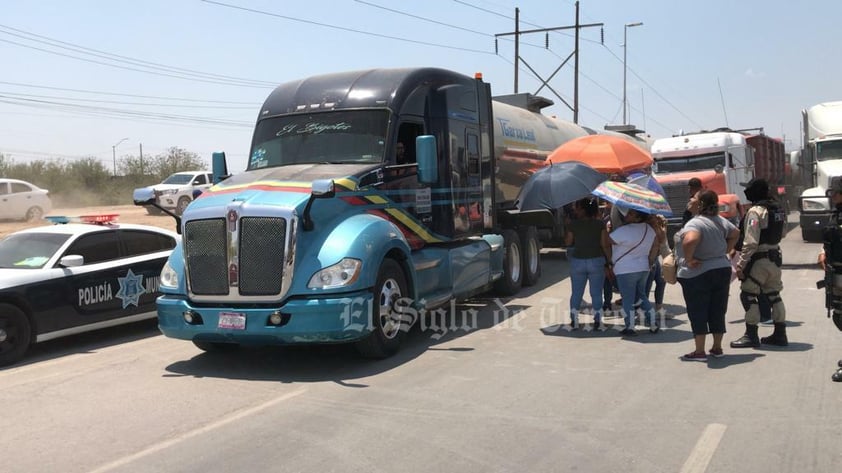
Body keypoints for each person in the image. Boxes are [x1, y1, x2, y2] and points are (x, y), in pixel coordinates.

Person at [675, 190, 740, 361]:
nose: (690, 200)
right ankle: (717, 347)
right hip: (721, 268)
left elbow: (690, 240)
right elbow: (735, 233)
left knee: (698, 310)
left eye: (694, 199)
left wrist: (688, 260)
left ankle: (699, 350)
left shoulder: (695, 223)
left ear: (700, 204)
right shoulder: (720, 220)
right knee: (718, 309)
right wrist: (725, 249)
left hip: (699, 272)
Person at [731, 178, 789, 348]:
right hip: (775, 257)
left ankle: (751, 335)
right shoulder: (777, 209)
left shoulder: (755, 212)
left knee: (748, 294)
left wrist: (740, 265)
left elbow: (750, 242)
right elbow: (783, 233)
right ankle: (780, 334)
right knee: (774, 295)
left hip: (758, 259)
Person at [608, 206, 659, 335]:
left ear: (638, 217)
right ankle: (653, 323)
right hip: (643, 268)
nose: (627, 215)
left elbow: (608, 240)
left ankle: (630, 327)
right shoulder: (650, 230)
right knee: (641, 296)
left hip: (626, 269)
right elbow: (655, 247)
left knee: (627, 299)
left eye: (631, 213)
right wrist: (650, 262)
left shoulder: (623, 231)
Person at [564, 197, 611, 330]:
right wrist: (609, 260)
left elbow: (568, 242)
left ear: (583, 210)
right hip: (596, 260)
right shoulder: (600, 224)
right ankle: (597, 319)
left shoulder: (573, 225)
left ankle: (574, 319)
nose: (575, 211)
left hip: (578, 261)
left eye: (577, 208)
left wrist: (568, 226)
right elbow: (604, 244)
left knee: (576, 293)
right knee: (596, 293)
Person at [817, 178, 842, 381]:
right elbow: (831, 238)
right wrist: (823, 252)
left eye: (835, 193)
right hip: (836, 272)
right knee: (839, 315)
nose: (832, 197)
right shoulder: (837, 214)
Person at [645, 214, 670, 315]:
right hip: (649, 258)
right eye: (652, 217)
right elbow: (659, 243)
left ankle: (659, 309)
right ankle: (644, 311)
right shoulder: (647, 227)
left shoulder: (657, 226)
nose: (655, 218)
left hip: (655, 258)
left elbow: (663, 242)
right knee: (647, 285)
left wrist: (663, 225)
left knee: (661, 281)